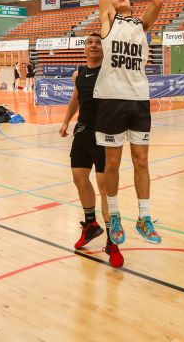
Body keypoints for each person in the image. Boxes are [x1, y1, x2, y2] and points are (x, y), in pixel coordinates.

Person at [84, 0, 164, 248]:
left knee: (142, 161)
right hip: (111, 100)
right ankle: (114, 214)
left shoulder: (140, 26)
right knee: (113, 163)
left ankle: (144, 216)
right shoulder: (109, 21)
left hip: (138, 100)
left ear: (131, 4)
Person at [59, 34, 123, 268]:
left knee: (106, 189)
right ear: (84, 49)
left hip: (105, 134)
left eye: (98, 42)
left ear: (103, 48)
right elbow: (76, 98)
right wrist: (66, 121)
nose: (94, 45)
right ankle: (90, 225)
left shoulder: (110, 72)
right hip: (83, 132)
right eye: (89, 43)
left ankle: (113, 241)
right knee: (79, 178)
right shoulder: (78, 74)